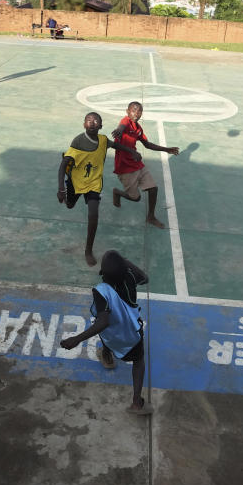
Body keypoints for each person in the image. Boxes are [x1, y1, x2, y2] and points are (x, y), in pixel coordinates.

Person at [59, 250, 152, 413]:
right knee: (138, 361)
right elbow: (145, 277)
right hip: (132, 332)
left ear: (102, 272)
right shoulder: (130, 277)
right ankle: (137, 402)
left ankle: (107, 356)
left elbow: (103, 322)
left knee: (106, 334)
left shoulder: (101, 291)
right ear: (125, 267)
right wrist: (126, 262)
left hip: (111, 331)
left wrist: (77, 339)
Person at [58, 112, 140, 266]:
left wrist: (132, 151)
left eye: (96, 120)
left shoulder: (103, 140)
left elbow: (116, 145)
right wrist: (61, 187)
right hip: (76, 183)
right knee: (70, 205)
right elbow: (63, 164)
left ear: (101, 126)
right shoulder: (78, 141)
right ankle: (69, 196)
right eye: (89, 120)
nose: (92, 122)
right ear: (84, 124)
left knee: (93, 214)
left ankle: (88, 250)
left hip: (94, 184)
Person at [111, 101, 180, 229]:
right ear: (127, 111)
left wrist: (166, 149)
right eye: (133, 110)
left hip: (136, 164)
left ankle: (151, 217)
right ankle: (117, 193)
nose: (136, 113)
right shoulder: (125, 122)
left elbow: (147, 144)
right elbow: (116, 140)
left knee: (153, 188)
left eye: (139, 111)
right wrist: (120, 131)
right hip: (124, 168)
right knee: (135, 198)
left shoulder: (138, 129)